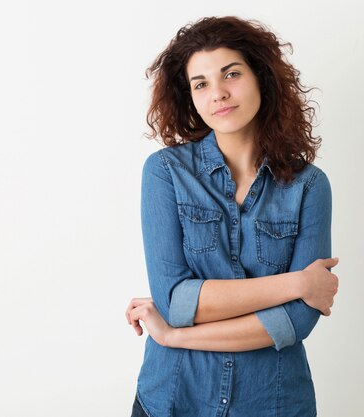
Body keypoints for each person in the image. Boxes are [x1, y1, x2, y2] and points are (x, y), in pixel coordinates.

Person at [126, 16, 339, 417]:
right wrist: (297, 282)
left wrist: (174, 337)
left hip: (272, 404)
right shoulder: (166, 173)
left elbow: (295, 322)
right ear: (189, 96)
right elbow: (174, 301)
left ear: (261, 77)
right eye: (201, 83)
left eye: (231, 74)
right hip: (174, 399)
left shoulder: (309, 186)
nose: (218, 93)